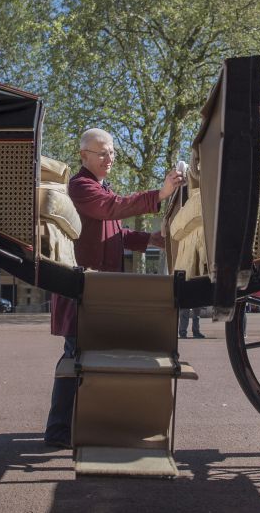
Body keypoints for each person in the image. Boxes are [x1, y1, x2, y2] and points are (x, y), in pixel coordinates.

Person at [44, 128, 184, 449]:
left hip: (97, 291)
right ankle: (57, 432)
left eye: (112, 153)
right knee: (75, 357)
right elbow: (112, 209)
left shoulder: (99, 186)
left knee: (82, 358)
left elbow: (116, 231)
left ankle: (75, 426)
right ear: (84, 156)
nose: (110, 158)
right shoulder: (80, 187)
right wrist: (159, 195)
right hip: (81, 289)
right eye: (103, 153)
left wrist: (150, 239)